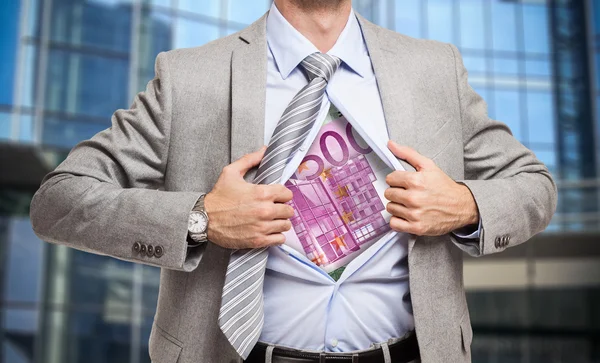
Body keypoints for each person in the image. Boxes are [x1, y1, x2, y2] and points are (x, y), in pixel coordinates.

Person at [29, 0, 557, 362]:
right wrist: (201, 219)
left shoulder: (434, 68)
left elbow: (533, 185)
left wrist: (463, 204)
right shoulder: (189, 77)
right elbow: (58, 200)